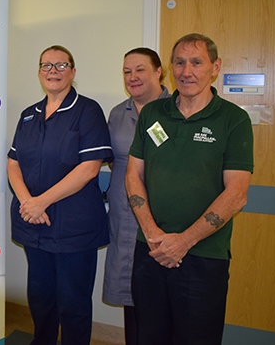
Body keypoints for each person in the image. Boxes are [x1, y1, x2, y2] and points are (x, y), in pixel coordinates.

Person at [125, 34, 254, 345]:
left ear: (215, 67)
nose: (187, 71)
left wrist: (182, 242)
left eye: (197, 62)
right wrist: (155, 235)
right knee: (149, 336)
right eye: (180, 62)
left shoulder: (233, 120)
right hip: (150, 251)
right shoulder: (153, 114)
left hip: (203, 255)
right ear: (171, 68)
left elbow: (236, 194)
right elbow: (132, 175)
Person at [7, 45, 113, 345]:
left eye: (61, 65)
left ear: (73, 72)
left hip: (73, 228)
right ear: (40, 72)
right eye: (46, 65)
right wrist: (29, 202)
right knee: (40, 298)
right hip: (33, 224)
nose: (53, 71)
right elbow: (13, 162)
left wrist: (41, 202)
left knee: (73, 303)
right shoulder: (29, 115)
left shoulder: (87, 111)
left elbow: (89, 169)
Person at [102, 48, 170, 345]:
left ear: (158, 72)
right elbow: (115, 161)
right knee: (130, 289)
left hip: (163, 214)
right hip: (123, 213)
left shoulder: (177, 110)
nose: (133, 77)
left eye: (140, 70)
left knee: (162, 293)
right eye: (127, 71)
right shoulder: (118, 113)